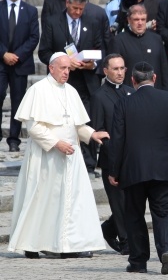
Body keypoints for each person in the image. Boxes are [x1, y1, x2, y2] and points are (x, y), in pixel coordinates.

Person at [8, 52, 109, 259]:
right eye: (62, 68)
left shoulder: (71, 91)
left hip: (70, 156)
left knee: (72, 201)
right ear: (51, 68)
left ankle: (68, 244)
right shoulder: (38, 90)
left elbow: (77, 124)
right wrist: (56, 143)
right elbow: (33, 127)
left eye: (68, 69)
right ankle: (33, 243)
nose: (66, 72)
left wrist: (91, 134)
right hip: (46, 157)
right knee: (43, 199)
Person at [109, 62, 168, 275]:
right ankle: (167, 250)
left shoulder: (123, 104)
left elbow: (117, 140)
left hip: (133, 168)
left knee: (134, 215)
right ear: (154, 79)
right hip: (165, 167)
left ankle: (138, 261)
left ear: (132, 81)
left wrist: (114, 170)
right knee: (165, 211)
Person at [38, 0, 105, 178]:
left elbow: (101, 48)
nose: (77, 12)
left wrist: (93, 64)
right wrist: (64, 61)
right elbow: (44, 53)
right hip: (61, 82)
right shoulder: (52, 22)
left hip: (87, 81)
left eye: (81, 9)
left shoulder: (92, 21)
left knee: (87, 119)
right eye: (74, 8)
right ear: (67, 3)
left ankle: (90, 165)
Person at [90, 54, 135, 254]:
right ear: (105, 70)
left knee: (132, 201)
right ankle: (126, 241)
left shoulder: (130, 92)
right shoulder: (99, 96)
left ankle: (108, 228)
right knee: (118, 202)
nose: (119, 73)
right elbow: (99, 130)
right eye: (115, 69)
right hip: (112, 158)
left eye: (122, 68)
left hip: (132, 157)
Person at [0, 0, 40, 152]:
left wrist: (16, 55)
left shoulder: (30, 11)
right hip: (1, 62)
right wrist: (4, 54)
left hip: (20, 63)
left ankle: (14, 139)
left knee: (18, 102)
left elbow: (33, 38)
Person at [107, 4, 168, 91]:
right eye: (136, 19)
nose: (140, 23)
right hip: (129, 94)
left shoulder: (156, 39)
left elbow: (164, 69)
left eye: (143, 19)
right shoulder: (118, 41)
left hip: (155, 93)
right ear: (129, 20)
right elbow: (114, 72)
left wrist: (166, 93)